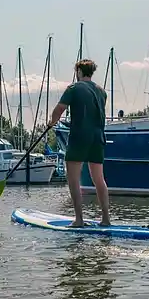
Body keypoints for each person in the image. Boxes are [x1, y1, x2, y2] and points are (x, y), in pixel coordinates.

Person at [46, 59, 110, 227]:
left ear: (80, 71)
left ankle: (79, 220)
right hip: (98, 137)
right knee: (99, 179)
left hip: (79, 136)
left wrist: (52, 123)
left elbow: (60, 109)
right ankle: (106, 219)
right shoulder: (102, 92)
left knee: (73, 178)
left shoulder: (73, 88)